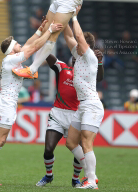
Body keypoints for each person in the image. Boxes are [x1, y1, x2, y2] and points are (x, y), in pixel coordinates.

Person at [0, 19, 63, 186]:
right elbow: (32, 48)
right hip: (6, 103)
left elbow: (29, 43)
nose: (19, 44)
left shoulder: (12, 59)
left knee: (1, 140)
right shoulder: (11, 60)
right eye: (16, 44)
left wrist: (40, 30)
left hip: (7, 102)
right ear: (12, 50)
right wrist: (49, 31)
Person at [36, 48, 104, 187]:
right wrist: (45, 40)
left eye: (79, 57)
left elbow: (100, 78)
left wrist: (100, 62)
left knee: (78, 148)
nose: (75, 58)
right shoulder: (62, 68)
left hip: (76, 115)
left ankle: (75, 179)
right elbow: (47, 55)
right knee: (48, 148)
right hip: (57, 114)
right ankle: (49, 176)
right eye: (74, 56)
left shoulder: (86, 75)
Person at [64, 7, 104, 189]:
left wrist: (74, 16)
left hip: (92, 106)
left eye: (79, 43)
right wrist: (62, 17)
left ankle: (90, 181)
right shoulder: (78, 55)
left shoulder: (89, 57)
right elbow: (69, 37)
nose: (75, 45)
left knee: (86, 143)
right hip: (82, 106)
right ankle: (91, 174)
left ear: (85, 46)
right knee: (71, 142)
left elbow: (78, 37)